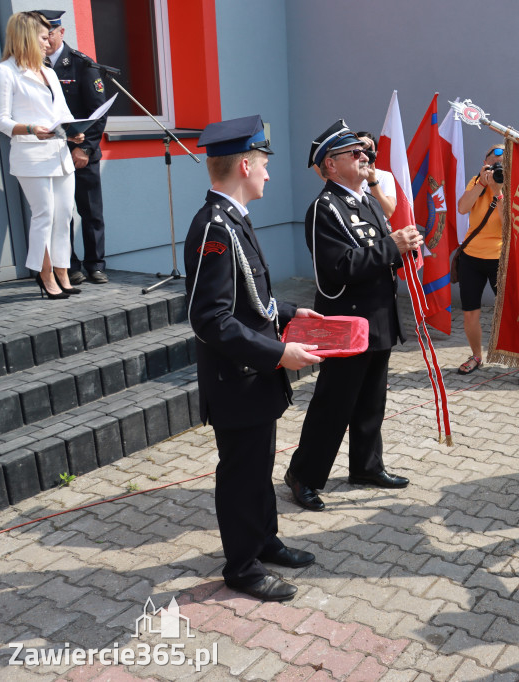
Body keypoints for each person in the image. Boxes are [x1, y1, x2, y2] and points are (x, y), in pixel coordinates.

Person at [184, 115, 322, 601]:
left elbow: (247, 297)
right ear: (244, 164)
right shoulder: (213, 229)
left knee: (259, 466)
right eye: (263, 164)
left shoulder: (233, 219)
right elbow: (211, 319)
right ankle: (241, 567)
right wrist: (280, 352)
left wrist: (287, 312)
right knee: (241, 474)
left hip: (254, 377)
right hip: (236, 381)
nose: (267, 173)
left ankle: (264, 541)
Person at [284, 120, 423, 511]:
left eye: (365, 152)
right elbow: (339, 267)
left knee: (371, 401)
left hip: (377, 317)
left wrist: (404, 247)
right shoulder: (323, 208)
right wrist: (390, 247)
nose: (365, 156)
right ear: (330, 165)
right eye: (355, 153)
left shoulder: (366, 199)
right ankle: (303, 475)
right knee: (334, 404)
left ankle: (366, 466)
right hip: (347, 322)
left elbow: (380, 254)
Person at [0, 11, 85, 299]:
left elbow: (61, 111)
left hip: (59, 152)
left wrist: (75, 130)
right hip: (31, 155)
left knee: (63, 215)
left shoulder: (48, 71)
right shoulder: (5, 72)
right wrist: (30, 128)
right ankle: (44, 274)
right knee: (44, 215)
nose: (48, 41)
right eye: (43, 36)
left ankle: (62, 270)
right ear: (26, 38)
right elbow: (1, 119)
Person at [37, 9, 108, 285]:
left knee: (90, 211)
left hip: (81, 153)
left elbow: (98, 112)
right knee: (60, 213)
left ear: (61, 32)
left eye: (51, 33)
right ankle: (70, 265)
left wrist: (86, 149)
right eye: (43, 35)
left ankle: (96, 265)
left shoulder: (82, 65)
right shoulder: (36, 65)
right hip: (51, 153)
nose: (47, 40)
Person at [454, 144, 519, 386]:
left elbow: (510, 222)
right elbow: (462, 207)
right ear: (485, 162)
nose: (500, 167)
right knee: (470, 313)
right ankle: (476, 355)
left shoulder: (514, 186)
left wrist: (499, 190)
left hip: (501, 258)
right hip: (472, 257)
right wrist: (481, 184)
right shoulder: (476, 181)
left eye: (505, 163)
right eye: (495, 161)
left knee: (512, 315)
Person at [355, 131, 396, 219]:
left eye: (368, 152)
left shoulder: (384, 176)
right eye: (358, 152)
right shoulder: (342, 173)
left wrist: (372, 180)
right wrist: (353, 142)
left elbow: (388, 212)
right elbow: (319, 165)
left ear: (375, 154)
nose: (364, 156)